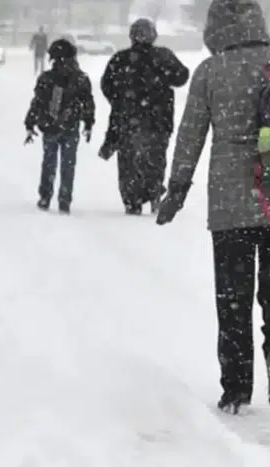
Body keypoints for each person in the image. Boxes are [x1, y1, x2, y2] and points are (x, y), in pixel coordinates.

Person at [155, 0, 270, 415]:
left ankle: (236, 390)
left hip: (230, 205)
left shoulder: (211, 71)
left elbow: (190, 137)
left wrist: (177, 189)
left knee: (234, 301)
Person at [100, 18, 189, 215]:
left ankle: (132, 200)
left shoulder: (120, 59)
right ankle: (154, 190)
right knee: (155, 159)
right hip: (159, 120)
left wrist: (121, 101)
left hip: (127, 120)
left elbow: (107, 85)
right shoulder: (163, 56)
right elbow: (182, 77)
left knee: (128, 162)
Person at [24, 39, 95, 214]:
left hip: (50, 126)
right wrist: (88, 122)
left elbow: (37, 103)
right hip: (70, 126)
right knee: (68, 164)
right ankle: (64, 198)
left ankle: (45, 195)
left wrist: (30, 122)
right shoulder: (81, 79)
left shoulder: (47, 78)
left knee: (49, 161)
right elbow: (88, 103)